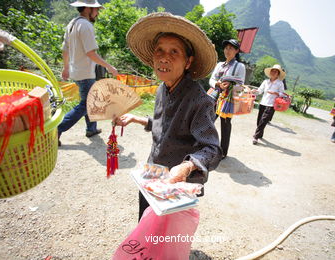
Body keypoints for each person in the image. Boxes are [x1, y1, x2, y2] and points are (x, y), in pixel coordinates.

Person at [114, 12, 222, 220]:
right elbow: (166, 126)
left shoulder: (200, 101)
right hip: (153, 169)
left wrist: (187, 166)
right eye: (159, 50)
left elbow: (212, 149)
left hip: (177, 180)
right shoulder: (161, 89)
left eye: (174, 51)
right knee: (145, 217)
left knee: (165, 230)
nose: (164, 57)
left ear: (188, 62)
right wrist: (137, 119)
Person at [58, 0, 118, 146]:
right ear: (87, 9)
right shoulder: (85, 25)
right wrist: (109, 67)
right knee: (87, 104)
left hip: (76, 71)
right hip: (85, 72)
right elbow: (91, 53)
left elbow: (65, 50)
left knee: (91, 100)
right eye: (96, 9)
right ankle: (57, 129)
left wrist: (66, 68)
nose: (97, 13)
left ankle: (91, 128)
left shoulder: (72, 23)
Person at [209, 39, 246, 159]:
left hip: (227, 99)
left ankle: (223, 152)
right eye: (226, 48)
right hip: (214, 96)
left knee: (225, 124)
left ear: (236, 51)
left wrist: (230, 86)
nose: (227, 50)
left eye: (231, 48)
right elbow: (212, 79)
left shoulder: (240, 66)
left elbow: (240, 85)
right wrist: (218, 85)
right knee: (208, 121)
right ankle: (204, 145)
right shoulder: (219, 65)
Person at [251, 64, 285, 145]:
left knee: (263, 121)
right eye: (272, 71)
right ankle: (260, 134)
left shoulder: (280, 83)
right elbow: (260, 91)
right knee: (259, 121)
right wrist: (255, 91)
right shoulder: (265, 81)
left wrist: (276, 93)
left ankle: (255, 137)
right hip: (263, 103)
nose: (273, 72)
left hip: (271, 105)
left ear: (278, 74)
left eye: (275, 71)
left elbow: (282, 94)